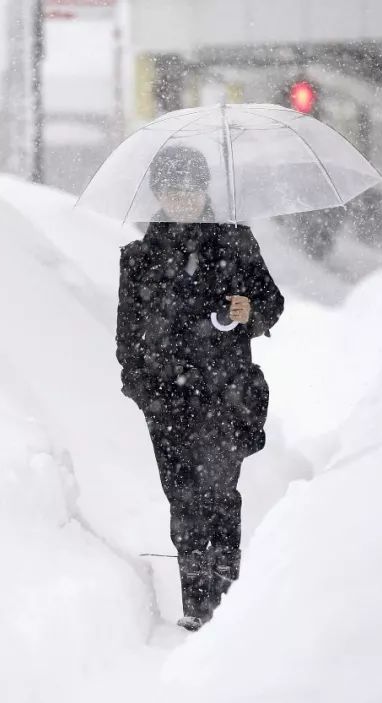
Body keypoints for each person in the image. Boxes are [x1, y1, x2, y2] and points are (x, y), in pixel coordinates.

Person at [116, 145, 284, 632]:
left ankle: (228, 593)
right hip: (167, 398)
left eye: (189, 188)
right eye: (170, 189)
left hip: (225, 391)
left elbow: (271, 302)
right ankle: (197, 603)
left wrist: (249, 311)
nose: (181, 198)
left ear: (205, 189)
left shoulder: (236, 242)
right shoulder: (140, 257)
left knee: (220, 490)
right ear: (156, 194)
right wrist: (143, 386)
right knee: (183, 496)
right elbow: (128, 336)